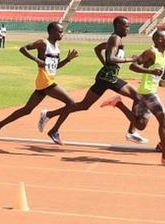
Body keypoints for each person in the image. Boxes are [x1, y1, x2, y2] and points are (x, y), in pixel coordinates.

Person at [37, 16, 140, 146]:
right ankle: (132, 131)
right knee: (138, 96)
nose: (128, 29)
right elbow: (111, 59)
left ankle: (49, 115)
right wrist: (130, 59)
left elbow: (97, 49)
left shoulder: (116, 40)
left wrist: (105, 64)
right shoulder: (115, 39)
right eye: (126, 26)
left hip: (105, 77)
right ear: (118, 26)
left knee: (84, 105)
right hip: (109, 78)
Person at [101, 30, 165, 166]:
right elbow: (133, 66)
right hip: (148, 93)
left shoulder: (162, 55)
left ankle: (118, 103)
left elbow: (154, 75)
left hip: (146, 91)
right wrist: (150, 71)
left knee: (140, 125)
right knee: (164, 121)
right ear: (159, 40)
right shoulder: (151, 52)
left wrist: (162, 82)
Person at [0, 22, 78, 141]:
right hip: (45, 81)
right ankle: (54, 130)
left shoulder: (57, 47)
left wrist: (67, 60)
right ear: (52, 32)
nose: (62, 34)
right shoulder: (43, 43)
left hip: (47, 80)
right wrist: (37, 60)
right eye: (60, 32)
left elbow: (55, 67)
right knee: (71, 103)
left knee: (27, 110)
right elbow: (23, 49)